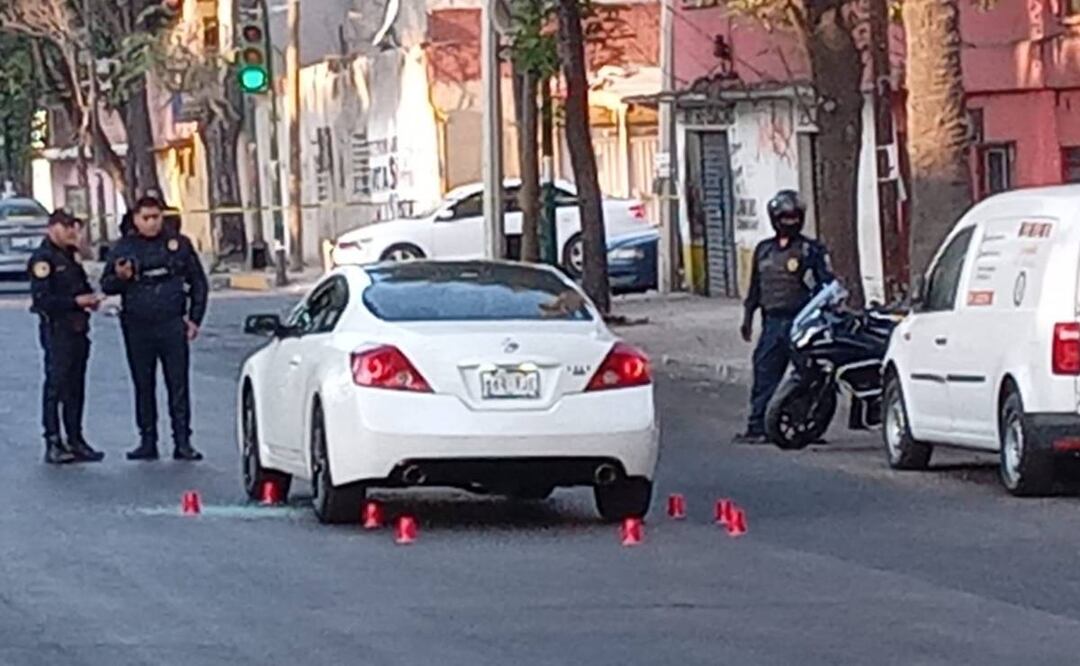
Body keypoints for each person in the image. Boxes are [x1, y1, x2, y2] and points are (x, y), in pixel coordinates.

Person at [101, 196, 209, 461]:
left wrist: (195, 319)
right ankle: (147, 440)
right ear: (136, 219)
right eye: (146, 218)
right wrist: (121, 277)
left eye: (156, 217)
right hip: (137, 325)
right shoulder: (125, 247)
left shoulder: (178, 245)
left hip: (172, 323)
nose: (152, 223)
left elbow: (198, 283)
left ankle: (182, 441)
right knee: (143, 383)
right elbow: (106, 285)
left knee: (178, 384)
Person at [733, 190, 834, 444]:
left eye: (793, 217)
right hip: (772, 322)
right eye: (784, 217)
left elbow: (827, 286)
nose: (789, 222)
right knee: (764, 371)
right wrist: (747, 317)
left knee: (805, 376)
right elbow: (755, 287)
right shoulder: (763, 250)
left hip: (802, 323)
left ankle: (803, 426)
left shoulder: (811, 250)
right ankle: (758, 426)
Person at [28, 210, 106, 464]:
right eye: (67, 228)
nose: (72, 233)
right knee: (56, 385)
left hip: (78, 328)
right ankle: (53, 440)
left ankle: (76, 438)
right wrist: (75, 301)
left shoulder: (70, 256)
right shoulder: (43, 260)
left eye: (75, 228)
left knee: (76, 386)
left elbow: (81, 286)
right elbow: (42, 300)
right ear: (52, 228)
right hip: (57, 329)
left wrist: (90, 299)